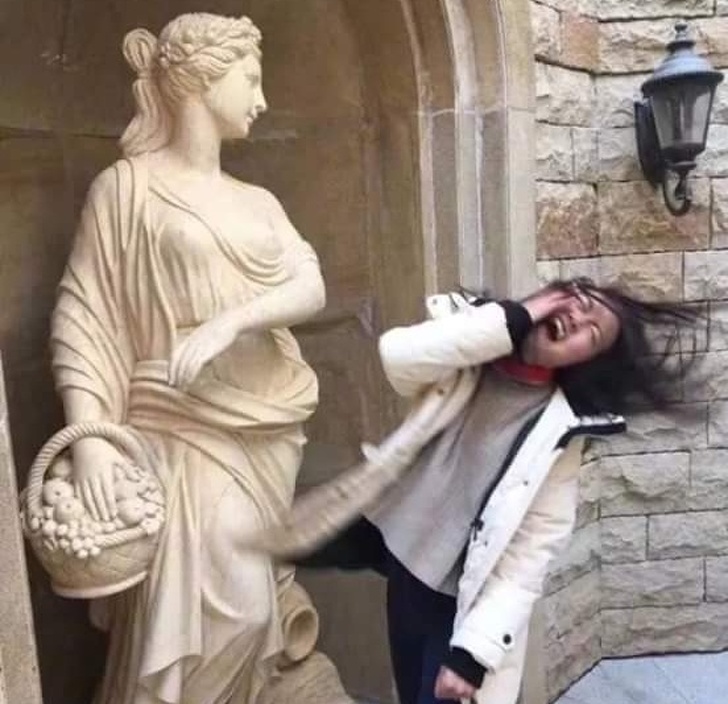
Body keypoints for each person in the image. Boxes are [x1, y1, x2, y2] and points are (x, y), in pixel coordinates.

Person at [51, 13, 330, 704]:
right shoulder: (126, 189)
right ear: (204, 81)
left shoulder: (257, 200)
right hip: (175, 431)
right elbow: (85, 316)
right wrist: (90, 440)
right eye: (251, 80)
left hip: (262, 428)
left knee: (251, 613)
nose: (262, 100)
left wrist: (231, 323)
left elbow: (311, 285)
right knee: (234, 611)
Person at [262, 278, 699, 704]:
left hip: (457, 606)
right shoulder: (469, 346)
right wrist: (513, 318)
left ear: (587, 362)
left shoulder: (558, 434)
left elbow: (527, 558)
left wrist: (471, 656)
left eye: (593, 333)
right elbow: (398, 356)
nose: (577, 319)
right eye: (578, 301)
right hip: (405, 567)